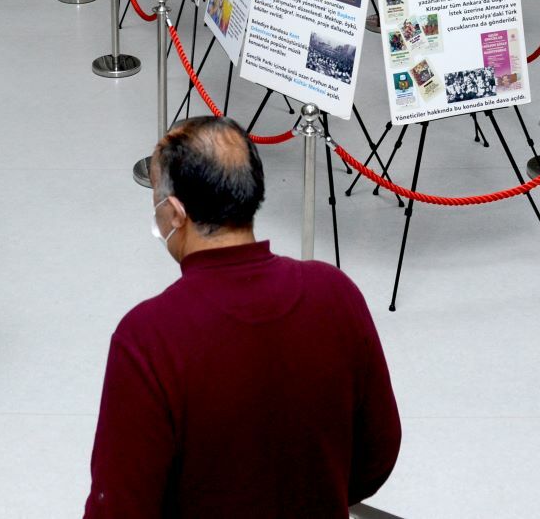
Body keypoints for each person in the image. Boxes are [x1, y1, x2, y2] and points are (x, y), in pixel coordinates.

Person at [84, 116, 400, 516]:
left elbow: (119, 506)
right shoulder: (336, 294)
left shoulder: (148, 337)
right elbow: (378, 453)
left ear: (176, 213)